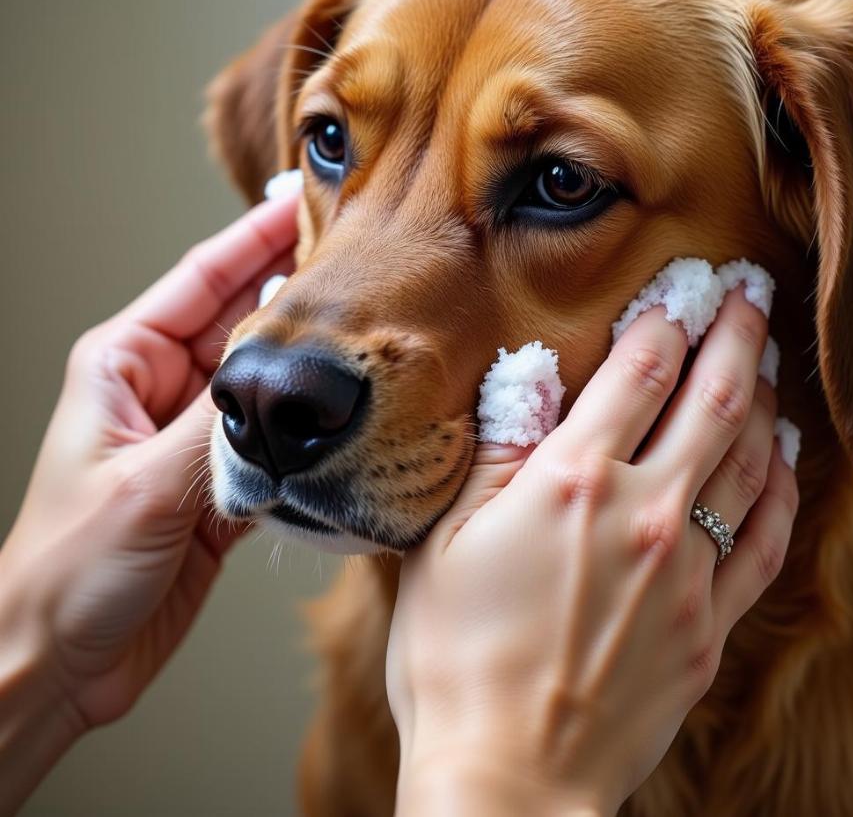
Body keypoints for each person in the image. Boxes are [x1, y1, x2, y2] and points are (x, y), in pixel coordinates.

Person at [0, 194, 798, 816]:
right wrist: (508, 776)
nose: (265, 382)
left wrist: (38, 666)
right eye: (332, 144)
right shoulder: (360, 745)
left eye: (562, 184)